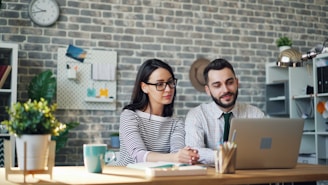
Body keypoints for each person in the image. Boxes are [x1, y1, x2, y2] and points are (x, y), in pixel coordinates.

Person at [115, 58, 199, 166]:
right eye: (160, 84)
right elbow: (138, 155)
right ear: (144, 87)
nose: (168, 89)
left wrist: (184, 156)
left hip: (158, 179)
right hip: (128, 178)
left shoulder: (176, 122)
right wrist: (174, 157)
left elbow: (176, 155)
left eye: (170, 82)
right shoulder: (129, 115)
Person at [185, 58, 265, 165]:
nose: (225, 90)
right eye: (217, 85)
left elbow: (264, 151)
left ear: (237, 83)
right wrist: (230, 156)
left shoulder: (255, 114)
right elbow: (195, 152)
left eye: (230, 82)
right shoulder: (196, 115)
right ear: (208, 90)